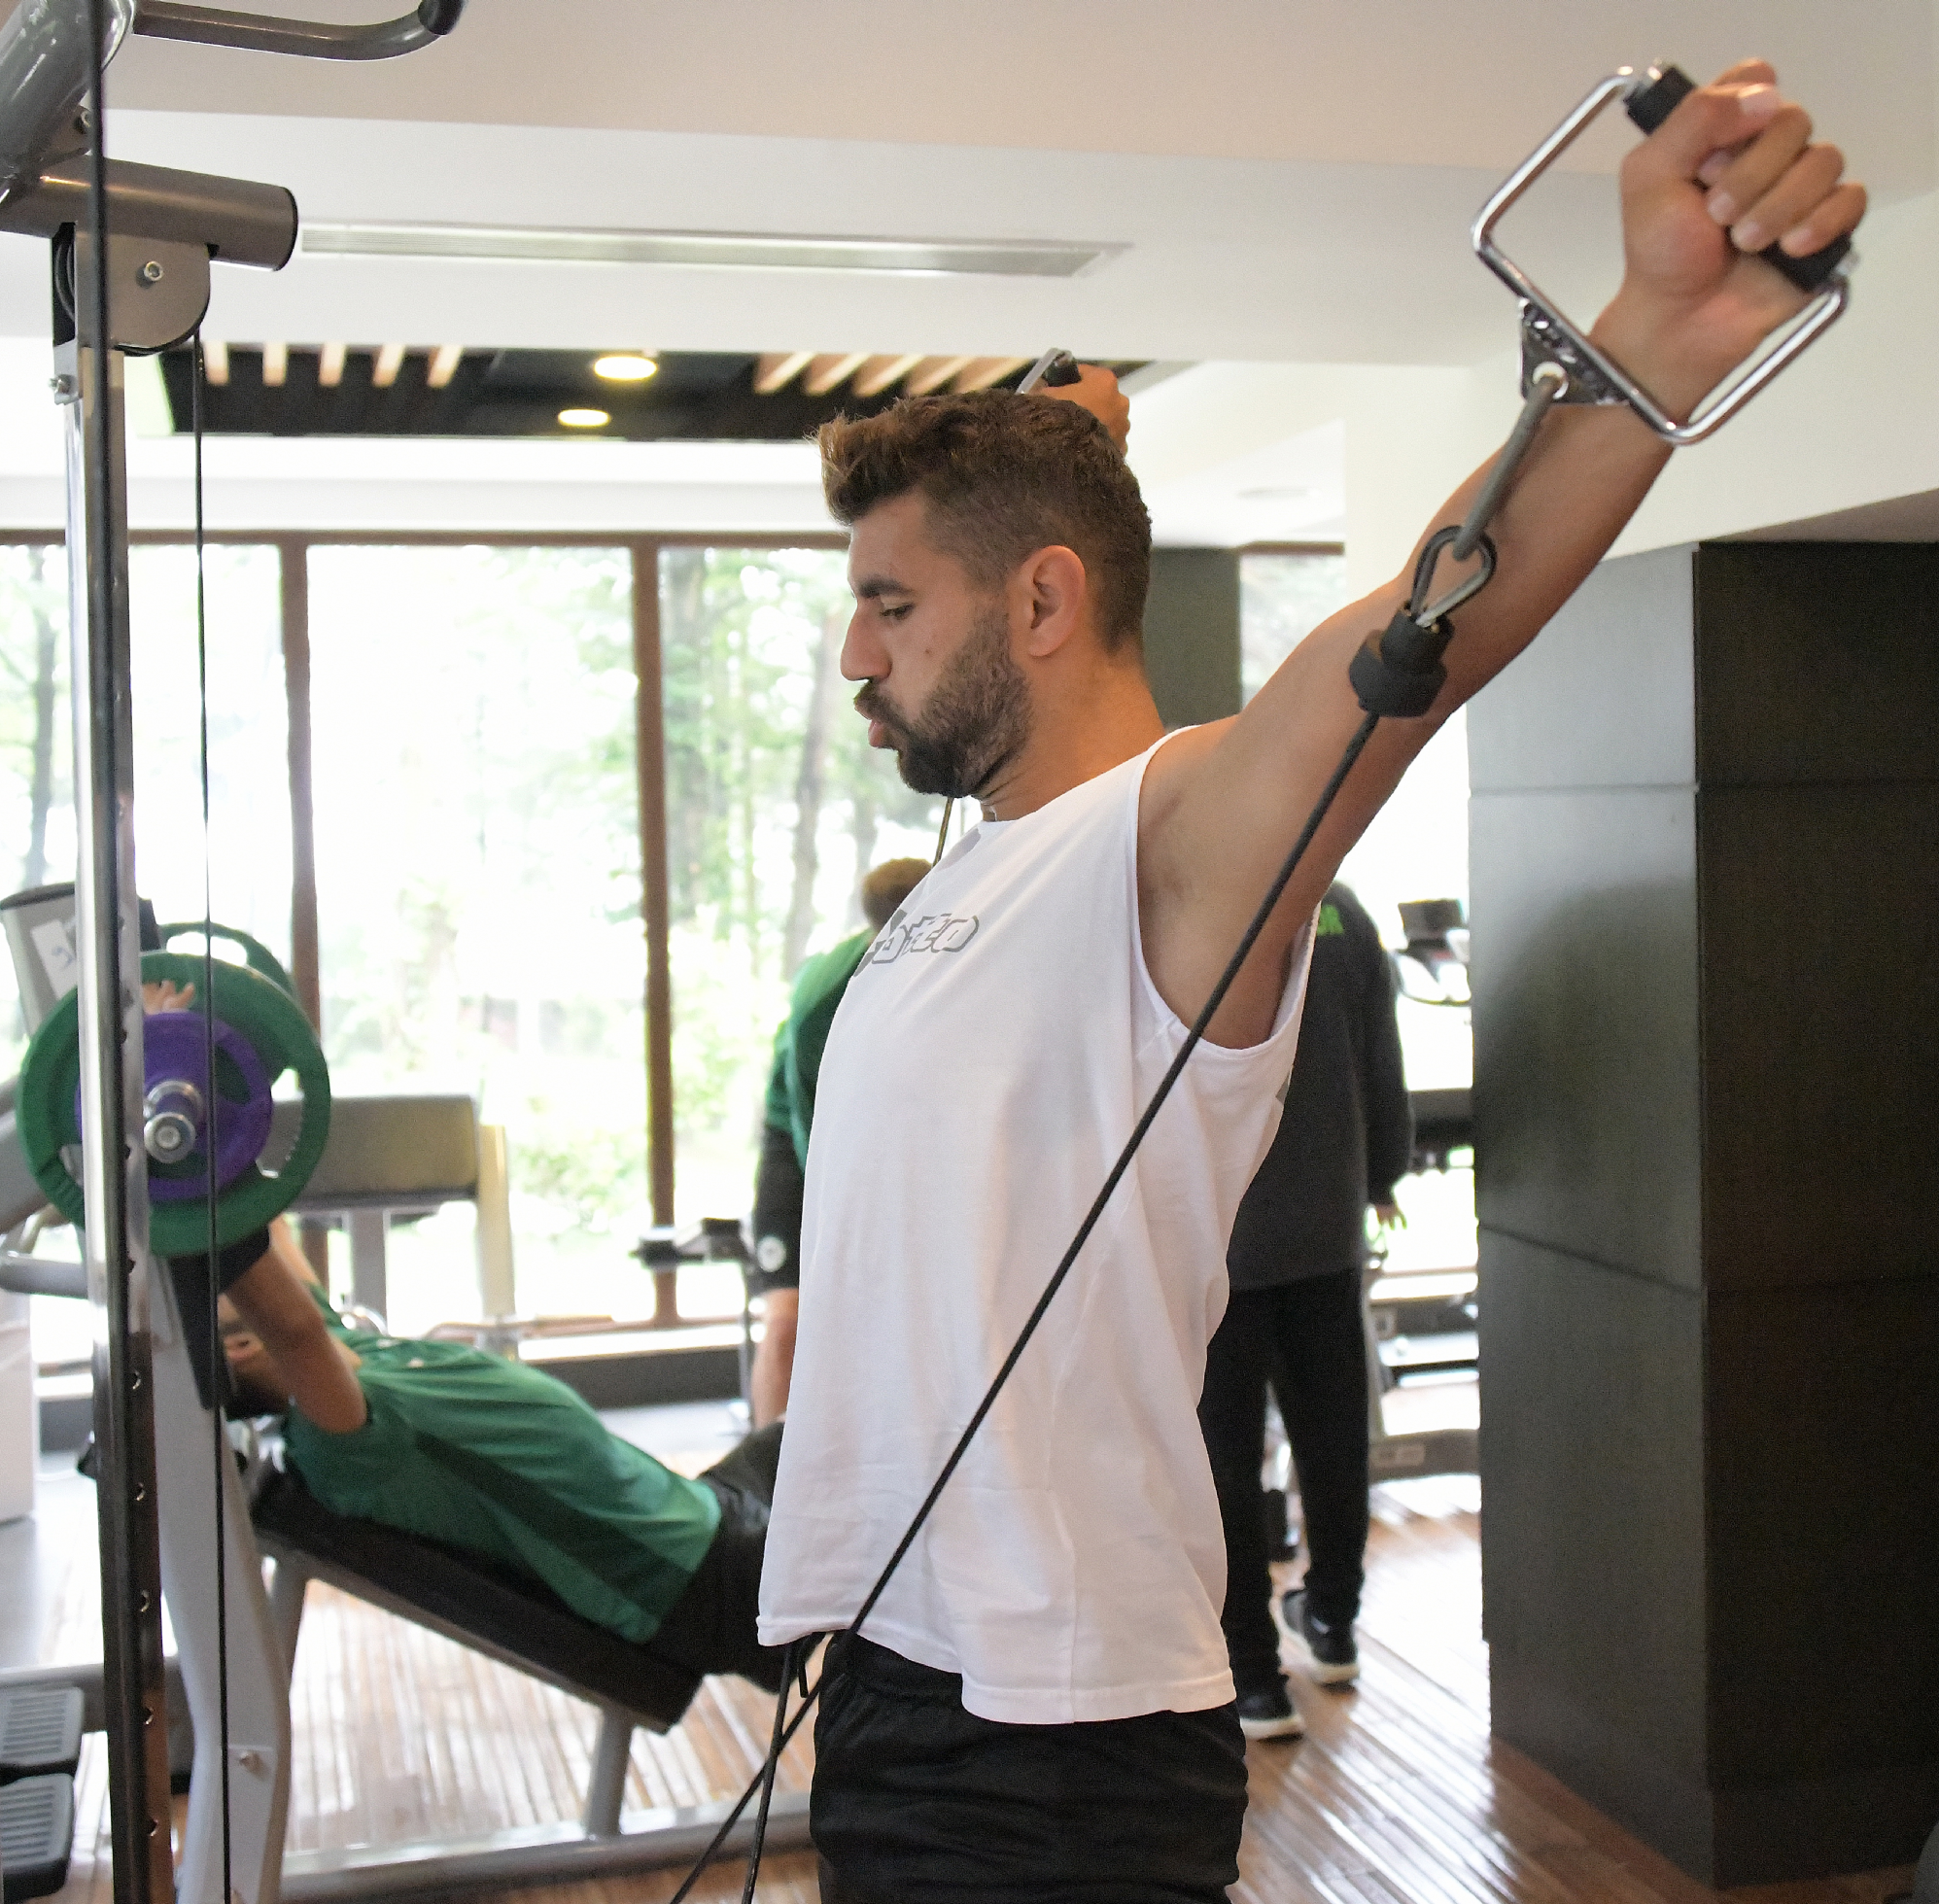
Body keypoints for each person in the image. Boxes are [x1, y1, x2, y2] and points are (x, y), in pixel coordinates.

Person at [752, 68, 1862, 1904]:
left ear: (1040, 605)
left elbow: (1431, 618)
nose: (854, 655)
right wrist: (1062, 434)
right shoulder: (974, 868)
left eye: (891, 603)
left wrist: (1659, 329)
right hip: (891, 1677)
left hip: (1053, 1740)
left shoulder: (1177, 838)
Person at [206, 1218, 787, 1690]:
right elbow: (293, 1327)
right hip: (699, 1583)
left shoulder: (351, 1346)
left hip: (706, 1509)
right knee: (851, 1484)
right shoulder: (345, 1440)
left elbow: (265, 1215)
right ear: (242, 1345)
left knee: (830, 1411)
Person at [1199, 880, 1412, 1740]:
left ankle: (1253, 1675)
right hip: (1326, 1227)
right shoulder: (1343, 909)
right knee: (1333, 1440)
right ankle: (1332, 1621)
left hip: (1219, 1237)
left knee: (1223, 1458)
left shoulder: (1197, 895)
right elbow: (1382, 1065)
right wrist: (1381, 1173)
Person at [747, 855, 929, 1424]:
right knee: (789, 1320)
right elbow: (813, 1129)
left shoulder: (958, 959)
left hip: (880, 1135)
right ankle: (768, 1470)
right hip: (799, 1141)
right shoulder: (825, 999)